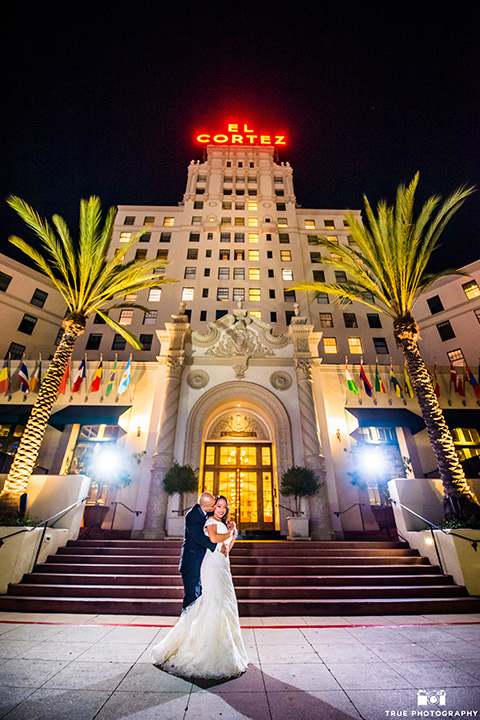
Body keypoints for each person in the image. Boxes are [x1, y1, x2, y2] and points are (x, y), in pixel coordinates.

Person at [151, 495, 249, 679]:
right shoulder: (196, 517)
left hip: (221, 564)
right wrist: (228, 534)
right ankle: (186, 639)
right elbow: (207, 538)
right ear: (205, 505)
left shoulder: (213, 518)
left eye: (221, 506)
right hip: (196, 562)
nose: (216, 508)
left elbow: (226, 547)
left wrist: (232, 533)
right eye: (214, 505)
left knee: (217, 601)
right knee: (198, 600)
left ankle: (217, 643)